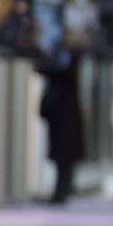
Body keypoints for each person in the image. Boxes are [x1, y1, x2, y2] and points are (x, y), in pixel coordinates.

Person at [36, 41, 84, 205]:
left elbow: (57, 72)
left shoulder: (69, 54)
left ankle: (62, 189)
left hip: (64, 111)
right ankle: (61, 189)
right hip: (59, 111)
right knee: (61, 154)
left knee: (64, 154)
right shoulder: (59, 52)